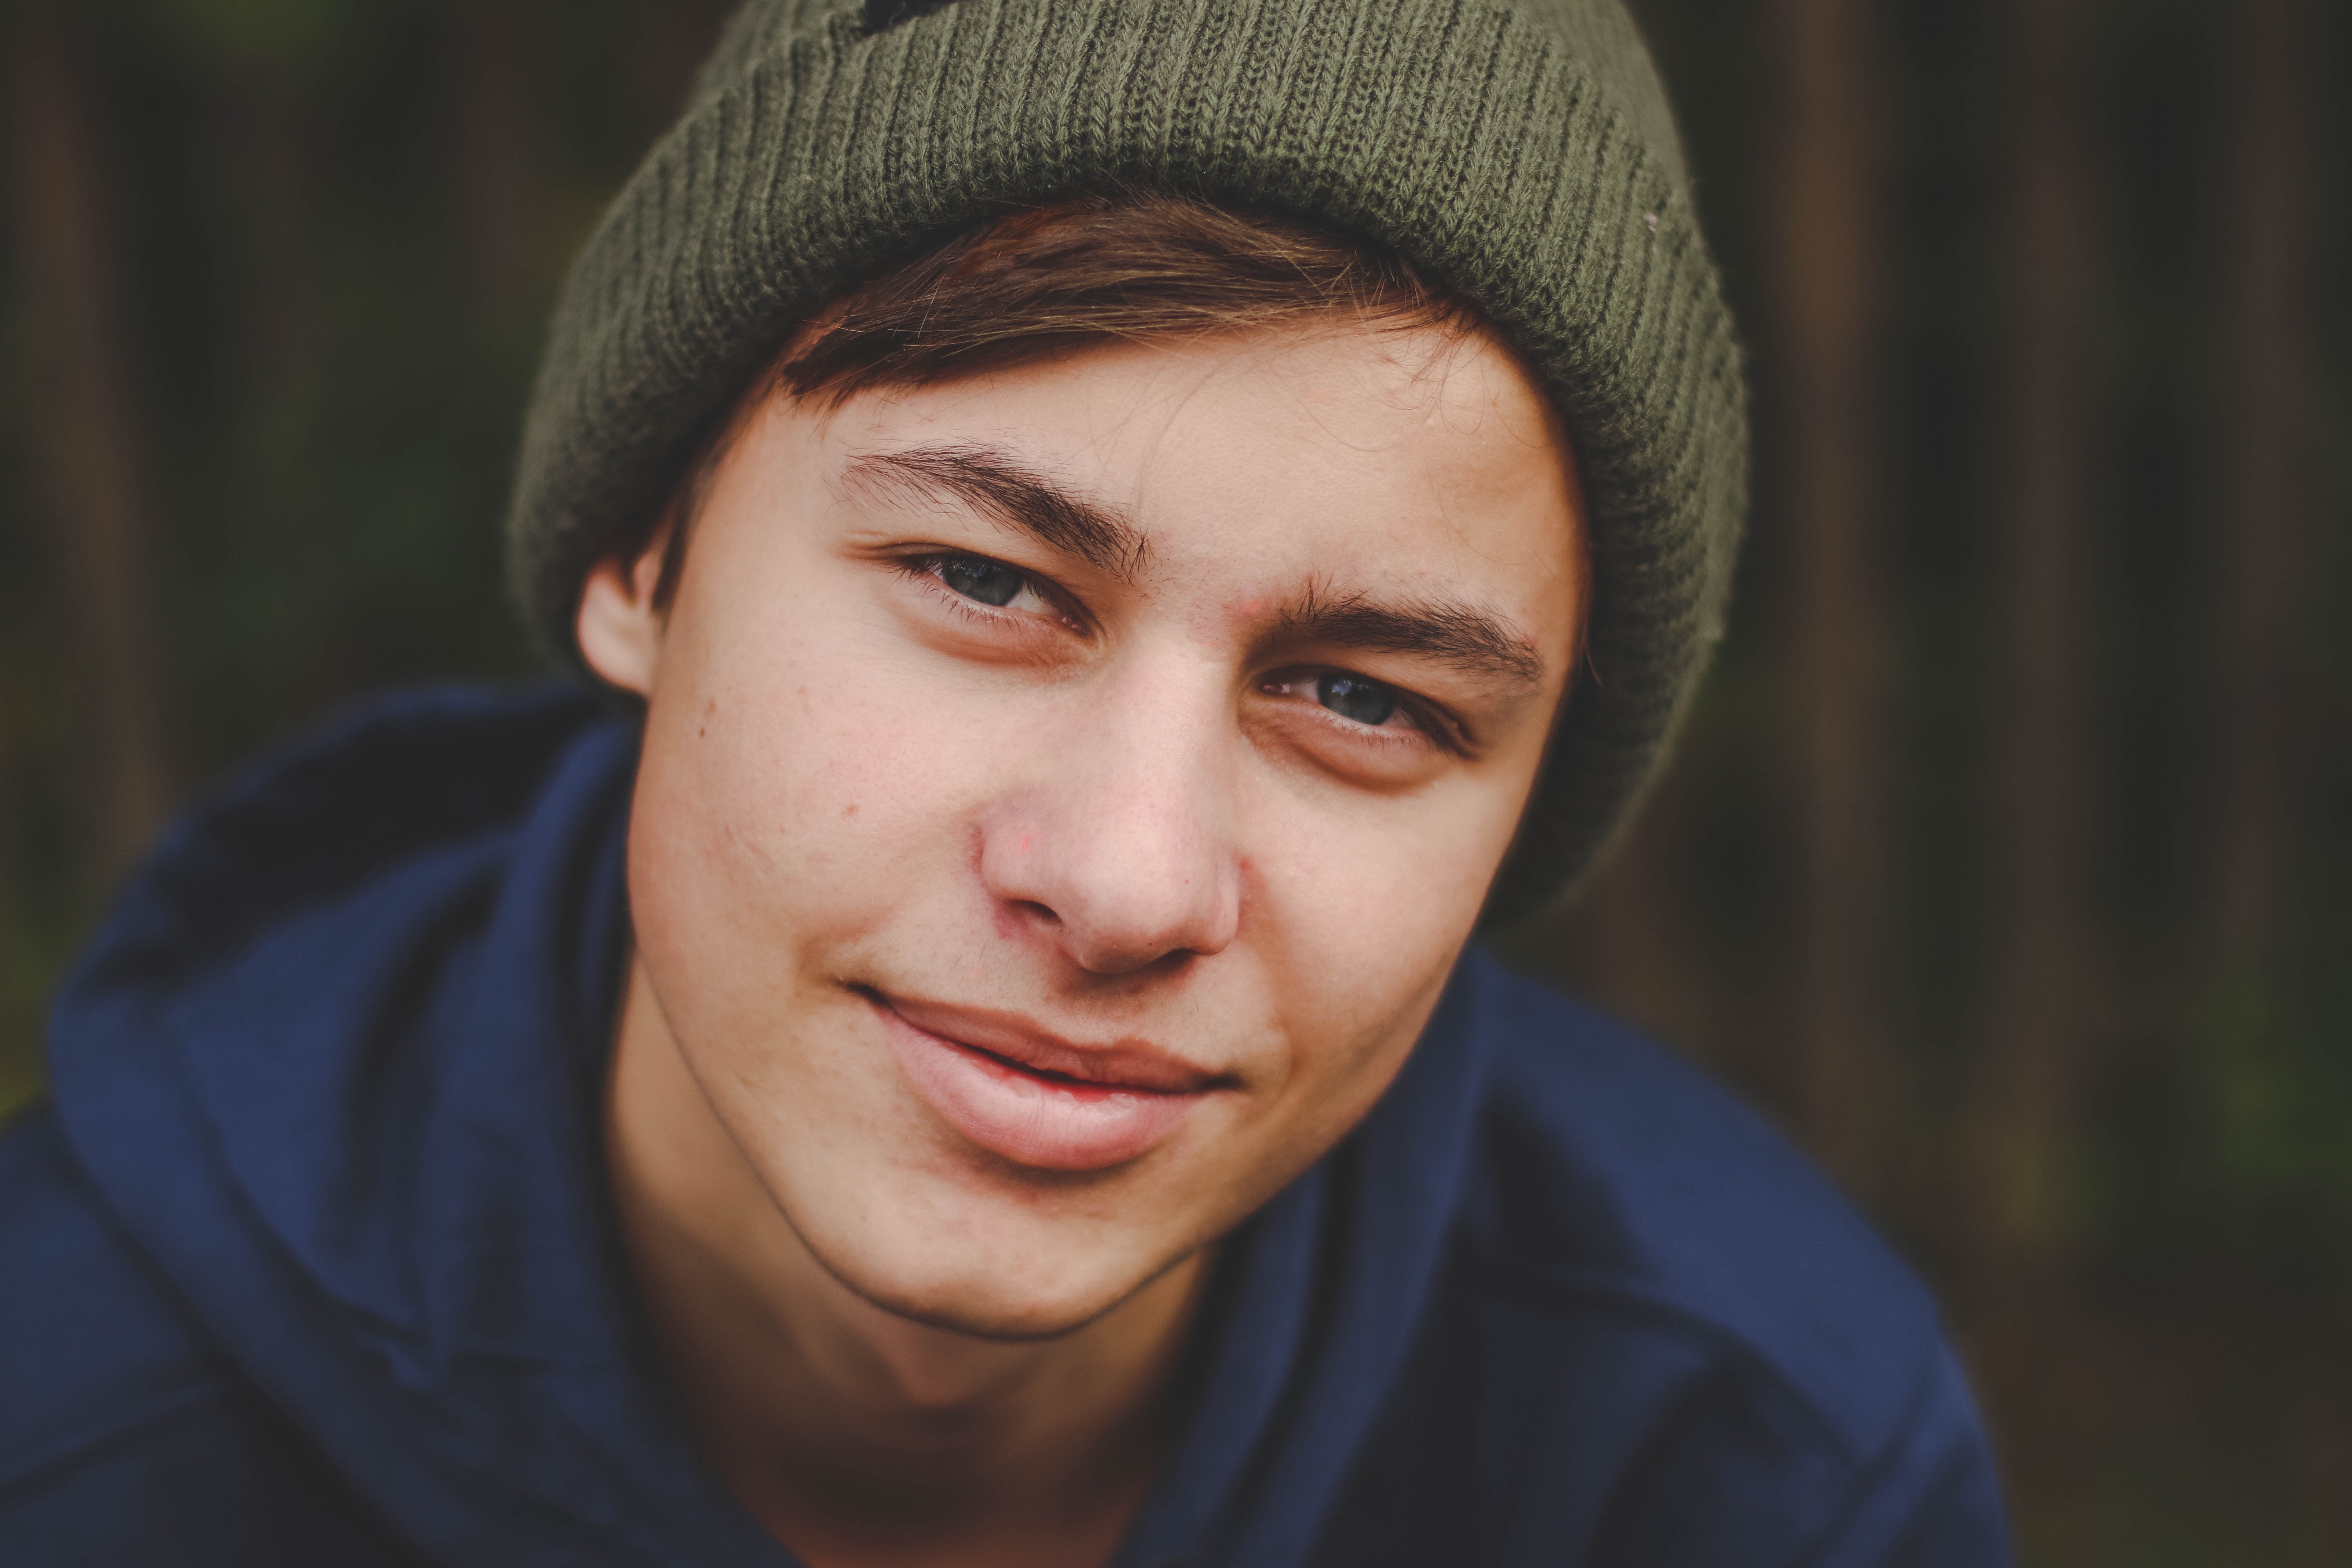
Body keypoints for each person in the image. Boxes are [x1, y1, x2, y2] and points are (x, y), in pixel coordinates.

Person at [0, 1, 2010, 1564]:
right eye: (984, 581)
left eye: (1367, 700)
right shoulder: (63, 1427)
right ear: (642, 550)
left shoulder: (1748, 1472)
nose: (1128, 882)